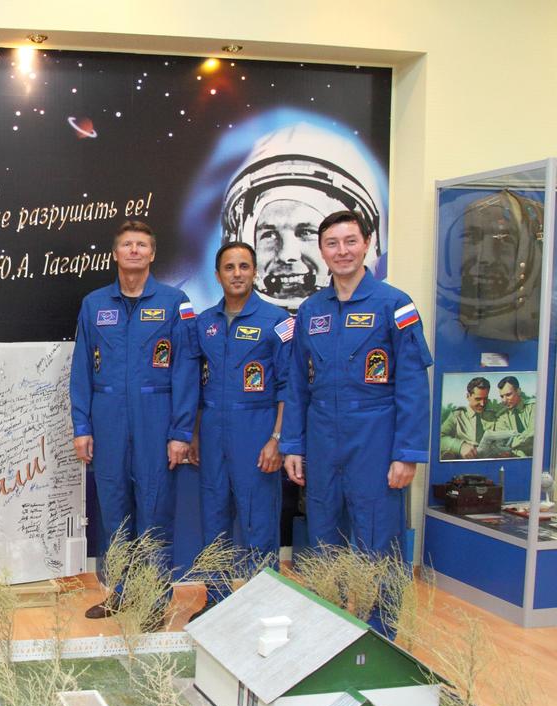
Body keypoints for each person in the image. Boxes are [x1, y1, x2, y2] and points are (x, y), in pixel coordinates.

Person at [282, 210, 432, 555]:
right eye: (332, 244)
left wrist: (406, 454)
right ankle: (327, 592)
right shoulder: (310, 310)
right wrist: (293, 445)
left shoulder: (395, 305)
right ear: (322, 251)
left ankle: (381, 596)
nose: (342, 251)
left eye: (350, 241)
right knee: (322, 530)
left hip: (374, 437)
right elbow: (297, 385)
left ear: (367, 244)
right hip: (322, 437)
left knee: (378, 531)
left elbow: (412, 385)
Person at [70, 220, 199, 618]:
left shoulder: (175, 302)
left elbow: (186, 369)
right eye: (127, 244)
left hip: (156, 420)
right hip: (108, 420)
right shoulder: (95, 305)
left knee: (154, 511)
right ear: (115, 253)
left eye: (141, 245)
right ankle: (120, 592)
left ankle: (155, 599)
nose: (134, 251)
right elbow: (80, 370)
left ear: (152, 254)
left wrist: (181, 432)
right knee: (114, 512)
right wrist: (82, 426)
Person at [192, 241, 292, 568]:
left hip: (256, 432)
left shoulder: (277, 320)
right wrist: (195, 434)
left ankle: (261, 595)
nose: (237, 274)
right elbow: (197, 384)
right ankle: (216, 594)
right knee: (213, 520)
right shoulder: (204, 323)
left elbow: (289, 386)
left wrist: (277, 439)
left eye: (244, 266)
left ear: (255, 272)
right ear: (217, 275)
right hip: (212, 434)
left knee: (258, 522)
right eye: (229, 267)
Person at [221, 122, 384, 313]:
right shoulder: (309, 312)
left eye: (306, 232)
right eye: (269, 235)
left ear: (367, 244)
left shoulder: (391, 305)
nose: (287, 255)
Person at [439, 376, 493, 460]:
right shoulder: (457, 416)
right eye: (478, 399)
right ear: (468, 396)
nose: (482, 403)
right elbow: (439, 439)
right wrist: (460, 446)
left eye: (485, 399)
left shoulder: (493, 416)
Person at [496, 375, 536, 457]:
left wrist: (513, 443)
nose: (504, 400)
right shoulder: (502, 417)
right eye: (502, 396)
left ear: (518, 391)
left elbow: (533, 433)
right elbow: (502, 442)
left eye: (508, 395)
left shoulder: (534, 407)